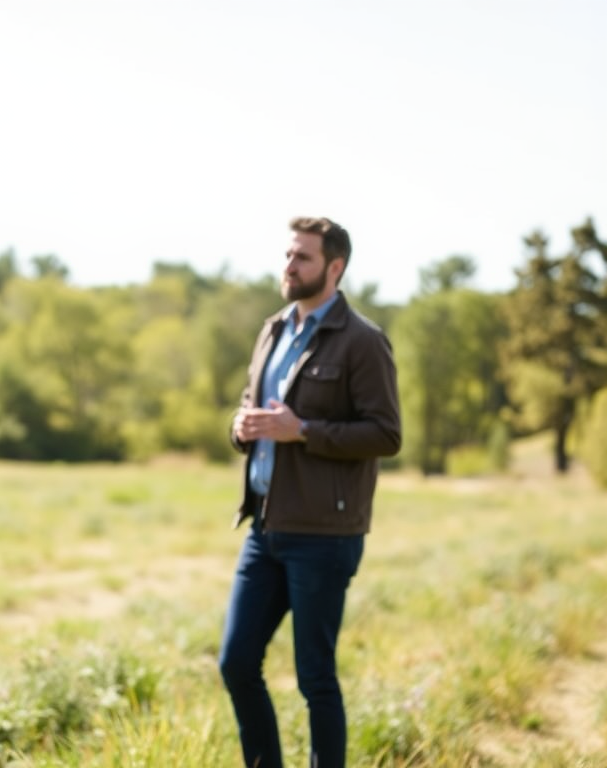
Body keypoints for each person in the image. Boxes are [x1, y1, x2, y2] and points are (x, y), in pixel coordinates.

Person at [218, 217, 401, 768]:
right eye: (288, 254)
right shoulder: (272, 329)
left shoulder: (363, 342)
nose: (289, 266)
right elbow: (251, 411)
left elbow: (386, 434)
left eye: (303, 257)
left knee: (315, 677)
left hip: (324, 534)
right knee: (236, 662)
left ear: (335, 267)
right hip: (264, 528)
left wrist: (305, 432)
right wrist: (239, 427)